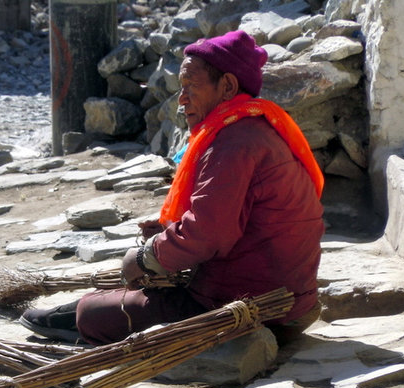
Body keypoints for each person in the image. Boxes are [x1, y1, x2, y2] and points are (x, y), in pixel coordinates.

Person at [20, 30, 325, 346]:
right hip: (291, 297)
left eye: (191, 87)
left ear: (228, 87)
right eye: (181, 88)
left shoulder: (234, 144)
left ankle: (84, 316)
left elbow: (208, 233)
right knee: (131, 293)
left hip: (250, 304)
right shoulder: (254, 129)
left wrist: (143, 257)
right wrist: (167, 233)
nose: (182, 99)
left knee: (94, 314)